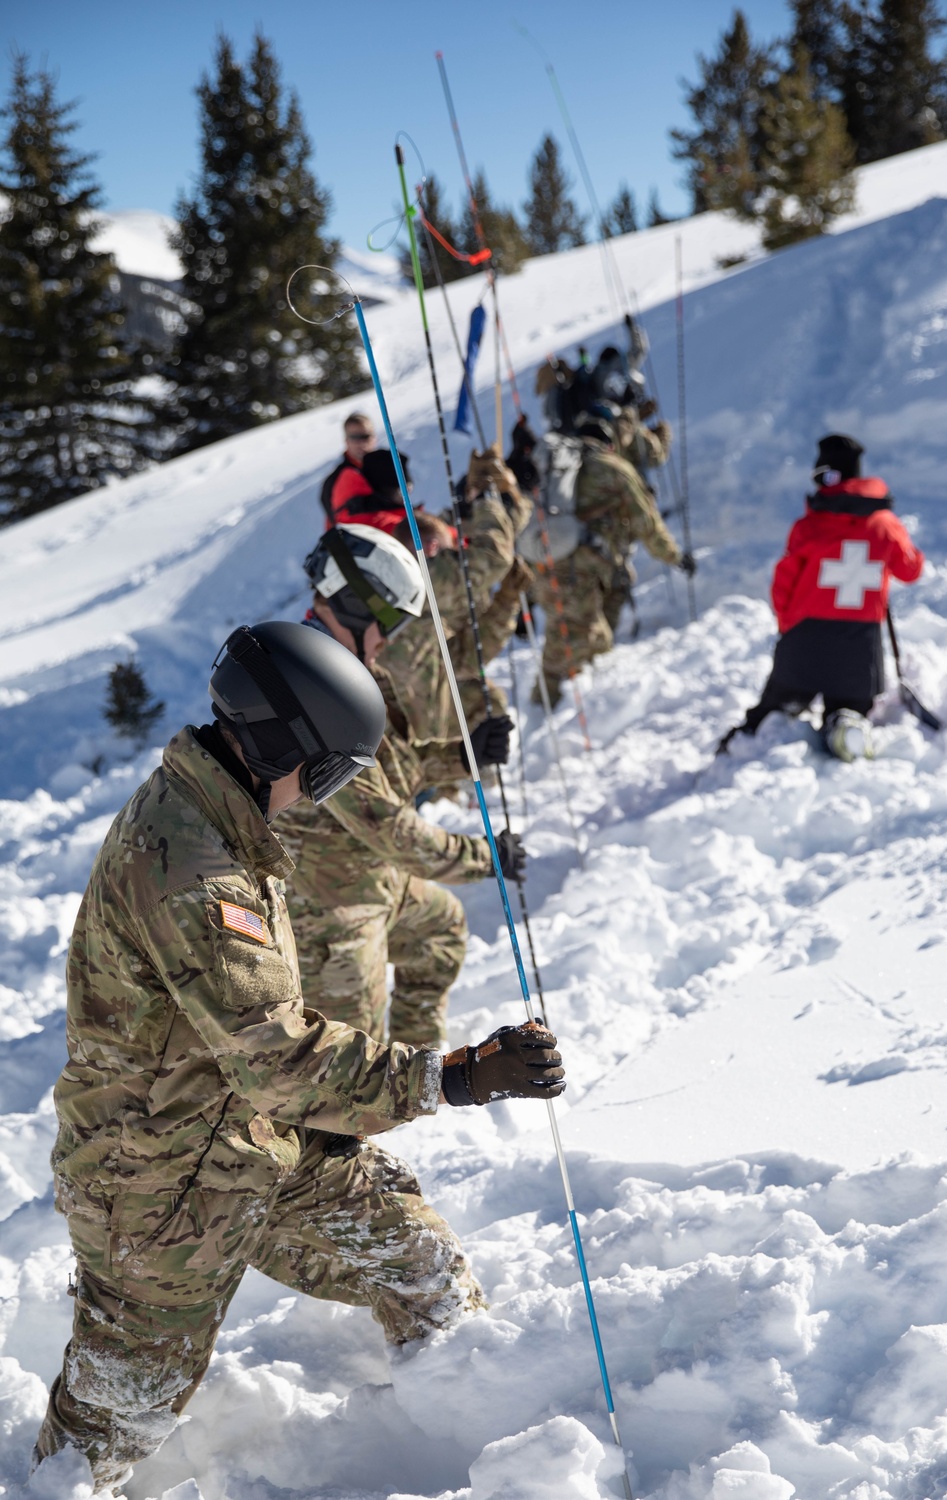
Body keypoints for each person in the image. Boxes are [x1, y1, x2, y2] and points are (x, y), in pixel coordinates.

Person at [32, 620, 564, 1496]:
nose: (324, 797)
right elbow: (278, 1058)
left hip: (247, 1144)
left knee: (416, 1259)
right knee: (109, 1426)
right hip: (158, 1191)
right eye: (329, 774)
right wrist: (456, 1076)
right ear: (282, 748)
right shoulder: (195, 870)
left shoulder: (219, 811)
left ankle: (472, 1439)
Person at [281, 524, 525, 1048]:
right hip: (330, 911)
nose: (388, 639)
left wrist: (463, 755)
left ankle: (418, 1068)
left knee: (439, 934)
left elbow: (392, 766)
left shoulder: (352, 672)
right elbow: (389, 828)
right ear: (352, 603)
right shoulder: (311, 693)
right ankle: (365, 1115)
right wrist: (486, 857)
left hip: (375, 879)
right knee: (346, 1064)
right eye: (387, 620)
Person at [718, 433, 925, 761]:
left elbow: (784, 581)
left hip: (806, 634)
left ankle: (748, 743)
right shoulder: (885, 524)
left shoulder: (809, 525)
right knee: (850, 703)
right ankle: (844, 726)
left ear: (831, 477)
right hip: (859, 639)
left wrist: (788, 625)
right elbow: (910, 570)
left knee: (777, 704)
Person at [530, 418, 693, 706]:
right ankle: (546, 711)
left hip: (546, 562)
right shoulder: (614, 468)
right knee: (568, 643)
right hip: (579, 570)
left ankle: (573, 701)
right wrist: (675, 557)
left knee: (578, 634)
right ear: (608, 443)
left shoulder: (556, 468)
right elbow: (647, 523)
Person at [380, 445, 532, 745]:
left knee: (482, 696)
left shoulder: (392, 574)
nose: (457, 556)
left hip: (398, 717)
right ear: (434, 551)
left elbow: (465, 656)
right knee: (484, 702)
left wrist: (468, 502)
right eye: (452, 551)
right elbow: (494, 555)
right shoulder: (427, 575)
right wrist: (489, 501)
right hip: (410, 726)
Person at [319, 411, 377, 526]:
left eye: (365, 436)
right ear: (346, 441)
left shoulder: (390, 468)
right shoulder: (335, 480)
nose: (361, 443)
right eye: (354, 437)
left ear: (374, 438)